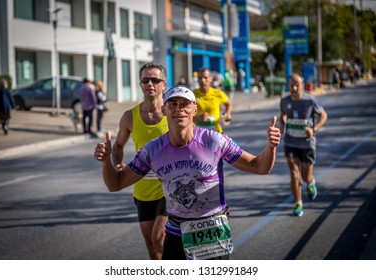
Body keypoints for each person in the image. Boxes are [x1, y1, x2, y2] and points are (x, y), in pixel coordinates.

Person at [94, 85, 281, 260]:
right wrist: (105, 162)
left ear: (194, 110)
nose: (179, 109)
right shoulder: (152, 150)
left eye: (185, 104)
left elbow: (259, 166)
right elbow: (115, 184)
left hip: (211, 232)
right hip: (175, 233)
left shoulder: (214, 141)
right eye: (173, 104)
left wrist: (270, 147)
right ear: (163, 110)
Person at [110, 63, 169, 260]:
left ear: (164, 85)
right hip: (142, 189)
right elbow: (118, 146)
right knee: (151, 246)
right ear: (140, 84)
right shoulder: (130, 117)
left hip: (170, 189)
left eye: (155, 80)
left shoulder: (173, 114)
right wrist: (117, 164)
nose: (150, 84)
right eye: (145, 80)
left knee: (159, 238)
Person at [279, 73, 328, 217]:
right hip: (290, 142)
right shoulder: (284, 100)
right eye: (291, 85)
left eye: (297, 85)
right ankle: (298, 204)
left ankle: (311, 183)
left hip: (307, 144)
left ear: (303, 84)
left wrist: (314, 129)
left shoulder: (310, 101)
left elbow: (324, 115)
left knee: (306, 177)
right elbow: (283, 113)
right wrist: (282, 123)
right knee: (294, 173)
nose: (294, 88)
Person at [193, 67, 232, 133]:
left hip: (216, 132)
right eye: (200, 78)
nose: (202, 80)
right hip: (197, 133)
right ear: (198, 80)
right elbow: (186, 115)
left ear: (211, 79)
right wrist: (197, 118)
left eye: (205, 77)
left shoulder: (218, 93)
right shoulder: (192, 94)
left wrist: (228, 113)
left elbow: (228, 104)